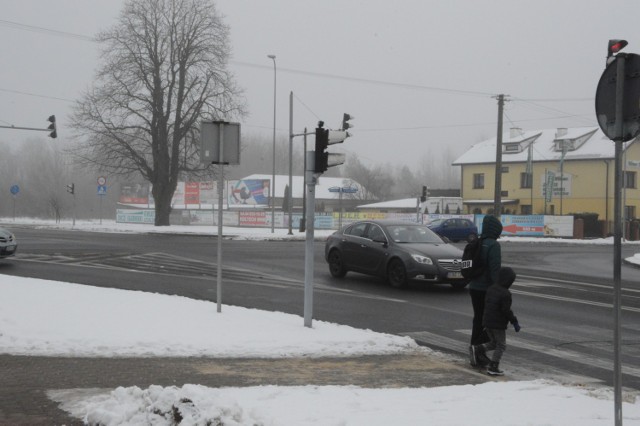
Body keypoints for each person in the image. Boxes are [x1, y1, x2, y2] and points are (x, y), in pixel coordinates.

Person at [472, 267, 520, 375]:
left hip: (487, 321)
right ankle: (493, 367)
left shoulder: (491, 288)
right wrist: (514, 321)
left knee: (494, 343)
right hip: (497, 324)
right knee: (501, 345)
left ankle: (478, 348)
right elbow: (506, 310)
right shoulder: (506, 294)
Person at [468, 214, 503, 367]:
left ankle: (475, 350)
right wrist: (498, 290)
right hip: (486, 290)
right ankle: (478, 349)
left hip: (474, 287)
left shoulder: (478, 242)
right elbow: (495, 270)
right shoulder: (493, 245)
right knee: (488, 322)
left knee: (478, 319)